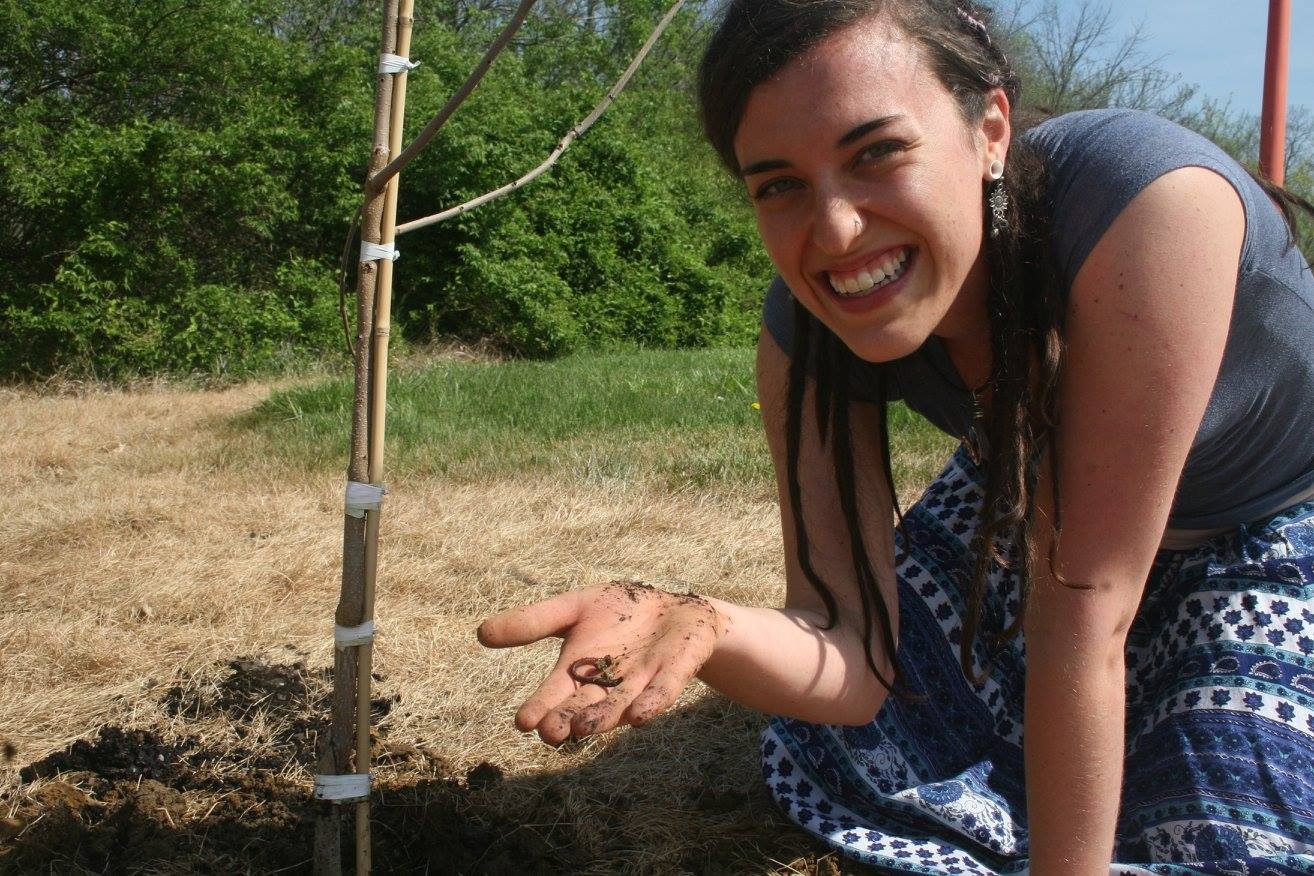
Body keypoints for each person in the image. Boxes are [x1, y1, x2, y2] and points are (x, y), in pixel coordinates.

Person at [478, 1, 1314, 872]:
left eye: (876, 153)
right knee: (844, 748)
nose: (835, 232)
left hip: (1266, 530)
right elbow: (847, 648)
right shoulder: (805, 333)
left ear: (990, 128)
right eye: (779, 185)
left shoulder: (1147, 207)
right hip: (1036, 500)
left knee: (1230, 837)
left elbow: (1085, 610)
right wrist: (707, 623)